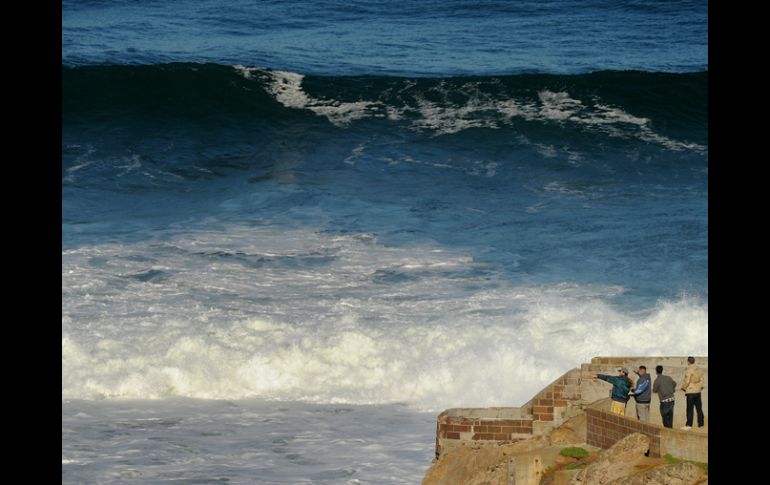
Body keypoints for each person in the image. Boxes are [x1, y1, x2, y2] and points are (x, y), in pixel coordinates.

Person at [680, 356, 705, 430]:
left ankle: (689, 425)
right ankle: (701, 424)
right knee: (699, 408)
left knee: (690, 409)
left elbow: (687, 381)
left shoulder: (689, 369)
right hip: (697, 391)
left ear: (688, 361)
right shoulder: (699, 369)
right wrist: (699, 387)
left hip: (690, 391)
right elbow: (702, 380)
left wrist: (683, 387)